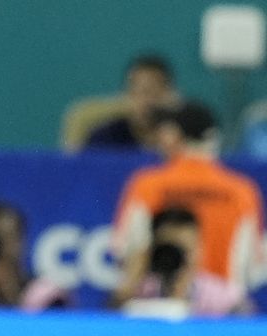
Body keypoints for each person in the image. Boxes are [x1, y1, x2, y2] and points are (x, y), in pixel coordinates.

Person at [112, 101, 265, 294]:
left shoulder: (146, 186)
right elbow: (254, 269)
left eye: (163, 130)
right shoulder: (243, 191)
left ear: (173, 136)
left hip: (158, 310)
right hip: (223, 316)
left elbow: (124, 251)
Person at [113, 207, 250, 318]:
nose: (178, 258)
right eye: (171, 250)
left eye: (186, 250)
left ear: (199, 249)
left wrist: (181, 292)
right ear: (153, 249)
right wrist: (129, 282)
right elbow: (107, 326)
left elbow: (247, 333)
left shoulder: (224, 297)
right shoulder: (137, 291)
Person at [84, 55, 178, 149]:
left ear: (171, 96)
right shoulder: (104, 138)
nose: (148, 101)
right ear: (126, 95)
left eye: (155, 93)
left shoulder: (186, 136)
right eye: (141, 92)